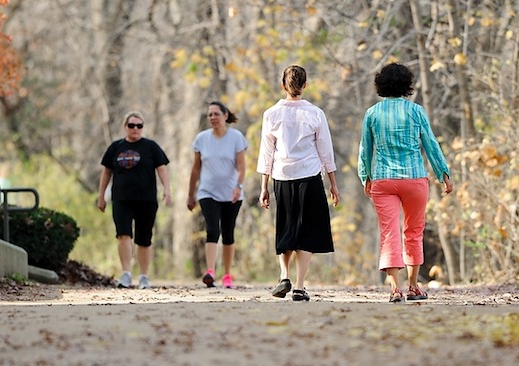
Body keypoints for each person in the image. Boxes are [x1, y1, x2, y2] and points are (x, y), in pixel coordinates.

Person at [357, 63, 453, 303]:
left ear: (381, 84)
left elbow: (365, 150)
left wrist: (365, 175)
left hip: (383, 179)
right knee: (413, 232)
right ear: (407, 85)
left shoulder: (373, 113)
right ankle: (413, 286)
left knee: (390, 232)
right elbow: (430, 143)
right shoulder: (416, 111)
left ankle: (394, 289)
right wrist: (443, 172)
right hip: (414, 179)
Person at [257, 65, 340, 302]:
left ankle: (284, 275)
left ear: (283, 85)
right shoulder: (315, 113)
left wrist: (264, 186)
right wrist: (333, 184)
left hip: (282, 177)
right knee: (307, 230)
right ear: (305, 85)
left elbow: (267, 152)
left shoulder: (271, 114)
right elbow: (325, 151)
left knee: (286, 227)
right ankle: (300, 286)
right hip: (309, 176)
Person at [97, 111, 171, 289]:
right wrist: (101, 196)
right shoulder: (116, 147)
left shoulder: (151, 147)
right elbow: (107, 172)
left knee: (144, 239)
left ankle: (144, 276)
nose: (135, 129)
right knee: (123, 235)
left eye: (139, 126)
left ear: (143, 128)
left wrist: (167, 190)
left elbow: (162, 169)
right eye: (131, 125)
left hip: (146, 199)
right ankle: (126, 274)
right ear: (125, 127)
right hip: (121, 198)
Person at [187, 101, 248, 289]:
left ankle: (227, 274)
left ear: (225, 116)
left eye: (216, 114)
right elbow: (196, 168)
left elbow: (241, 165)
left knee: (228, 232)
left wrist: (238, 186)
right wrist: (191, 194)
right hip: (207, 192)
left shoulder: (236, 137)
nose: (213, 117)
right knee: (213, 229)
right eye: (210, 115)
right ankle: (210, 271)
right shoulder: (202, 139)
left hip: (232, 193)